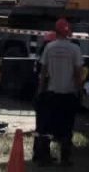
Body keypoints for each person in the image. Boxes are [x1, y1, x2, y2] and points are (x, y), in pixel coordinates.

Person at [38, 18, 83, 166]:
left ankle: (45, 157)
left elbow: (43, 72)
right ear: (68, 32)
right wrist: (79, 90)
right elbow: (78, 73)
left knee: (48, 126)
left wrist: (40, 90)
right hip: (68, 93)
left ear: (55, 31)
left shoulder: (49, 47)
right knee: (67, 127)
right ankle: (65, 159)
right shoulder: (74, 49)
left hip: (52, 92)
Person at [33, 30, 58, 166]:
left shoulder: (40, 55)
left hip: (38, 94)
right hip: (46, 94)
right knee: (47, 127)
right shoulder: (48, 56)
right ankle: (44, 157)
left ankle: (37, 154)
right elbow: (46, 77)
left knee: (39, 127)